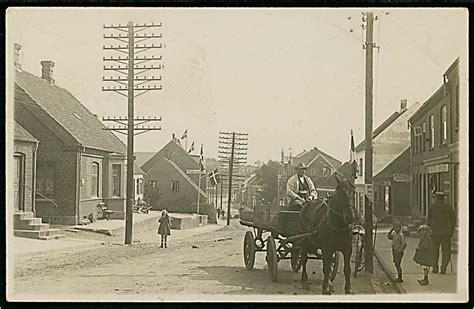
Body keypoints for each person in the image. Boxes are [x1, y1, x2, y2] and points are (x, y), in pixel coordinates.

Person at [427, 191, 455, 274]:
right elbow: (453, 221)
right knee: (446, 251)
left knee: (434, 251)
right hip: (446, 234)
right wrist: (451, 232)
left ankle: (435, 268)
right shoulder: (449, 207)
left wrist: (429, 229)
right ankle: (443, 269)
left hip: (435, 233)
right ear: (443, 199)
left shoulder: (432, 207)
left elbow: (428, 220)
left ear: (436, 198)